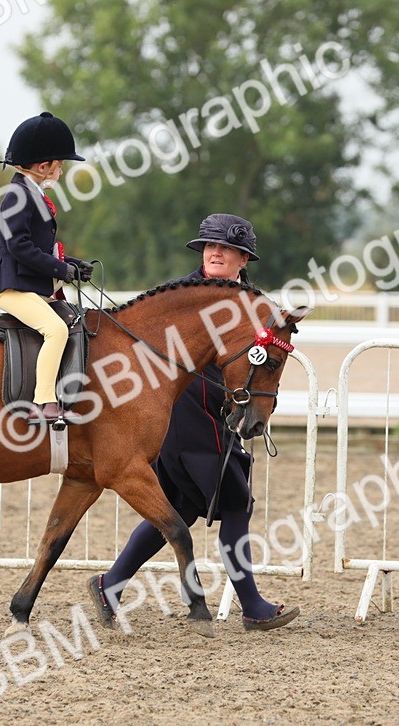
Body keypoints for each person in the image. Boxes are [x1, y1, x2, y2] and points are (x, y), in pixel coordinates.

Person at [87, 214, 300, 631]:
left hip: (216, 411)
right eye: (209, 246)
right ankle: (253, 606)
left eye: (225, 248)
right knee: (236, 503)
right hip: (186, 410)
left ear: (244, 259)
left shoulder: (254, 303)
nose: (215, 252)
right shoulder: (184, 295)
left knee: (178, 505)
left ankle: (110, 584)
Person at [0, 112, 95, 425]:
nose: (62, 170)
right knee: (55, 329)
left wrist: (71, 265)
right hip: (10, 286)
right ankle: (44, 402)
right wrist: (60, 271)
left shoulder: (32, 194)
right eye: (60, 164)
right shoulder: (18, 196)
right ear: (43, 167)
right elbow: (18, 246)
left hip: (25, 282)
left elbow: (38, 249)